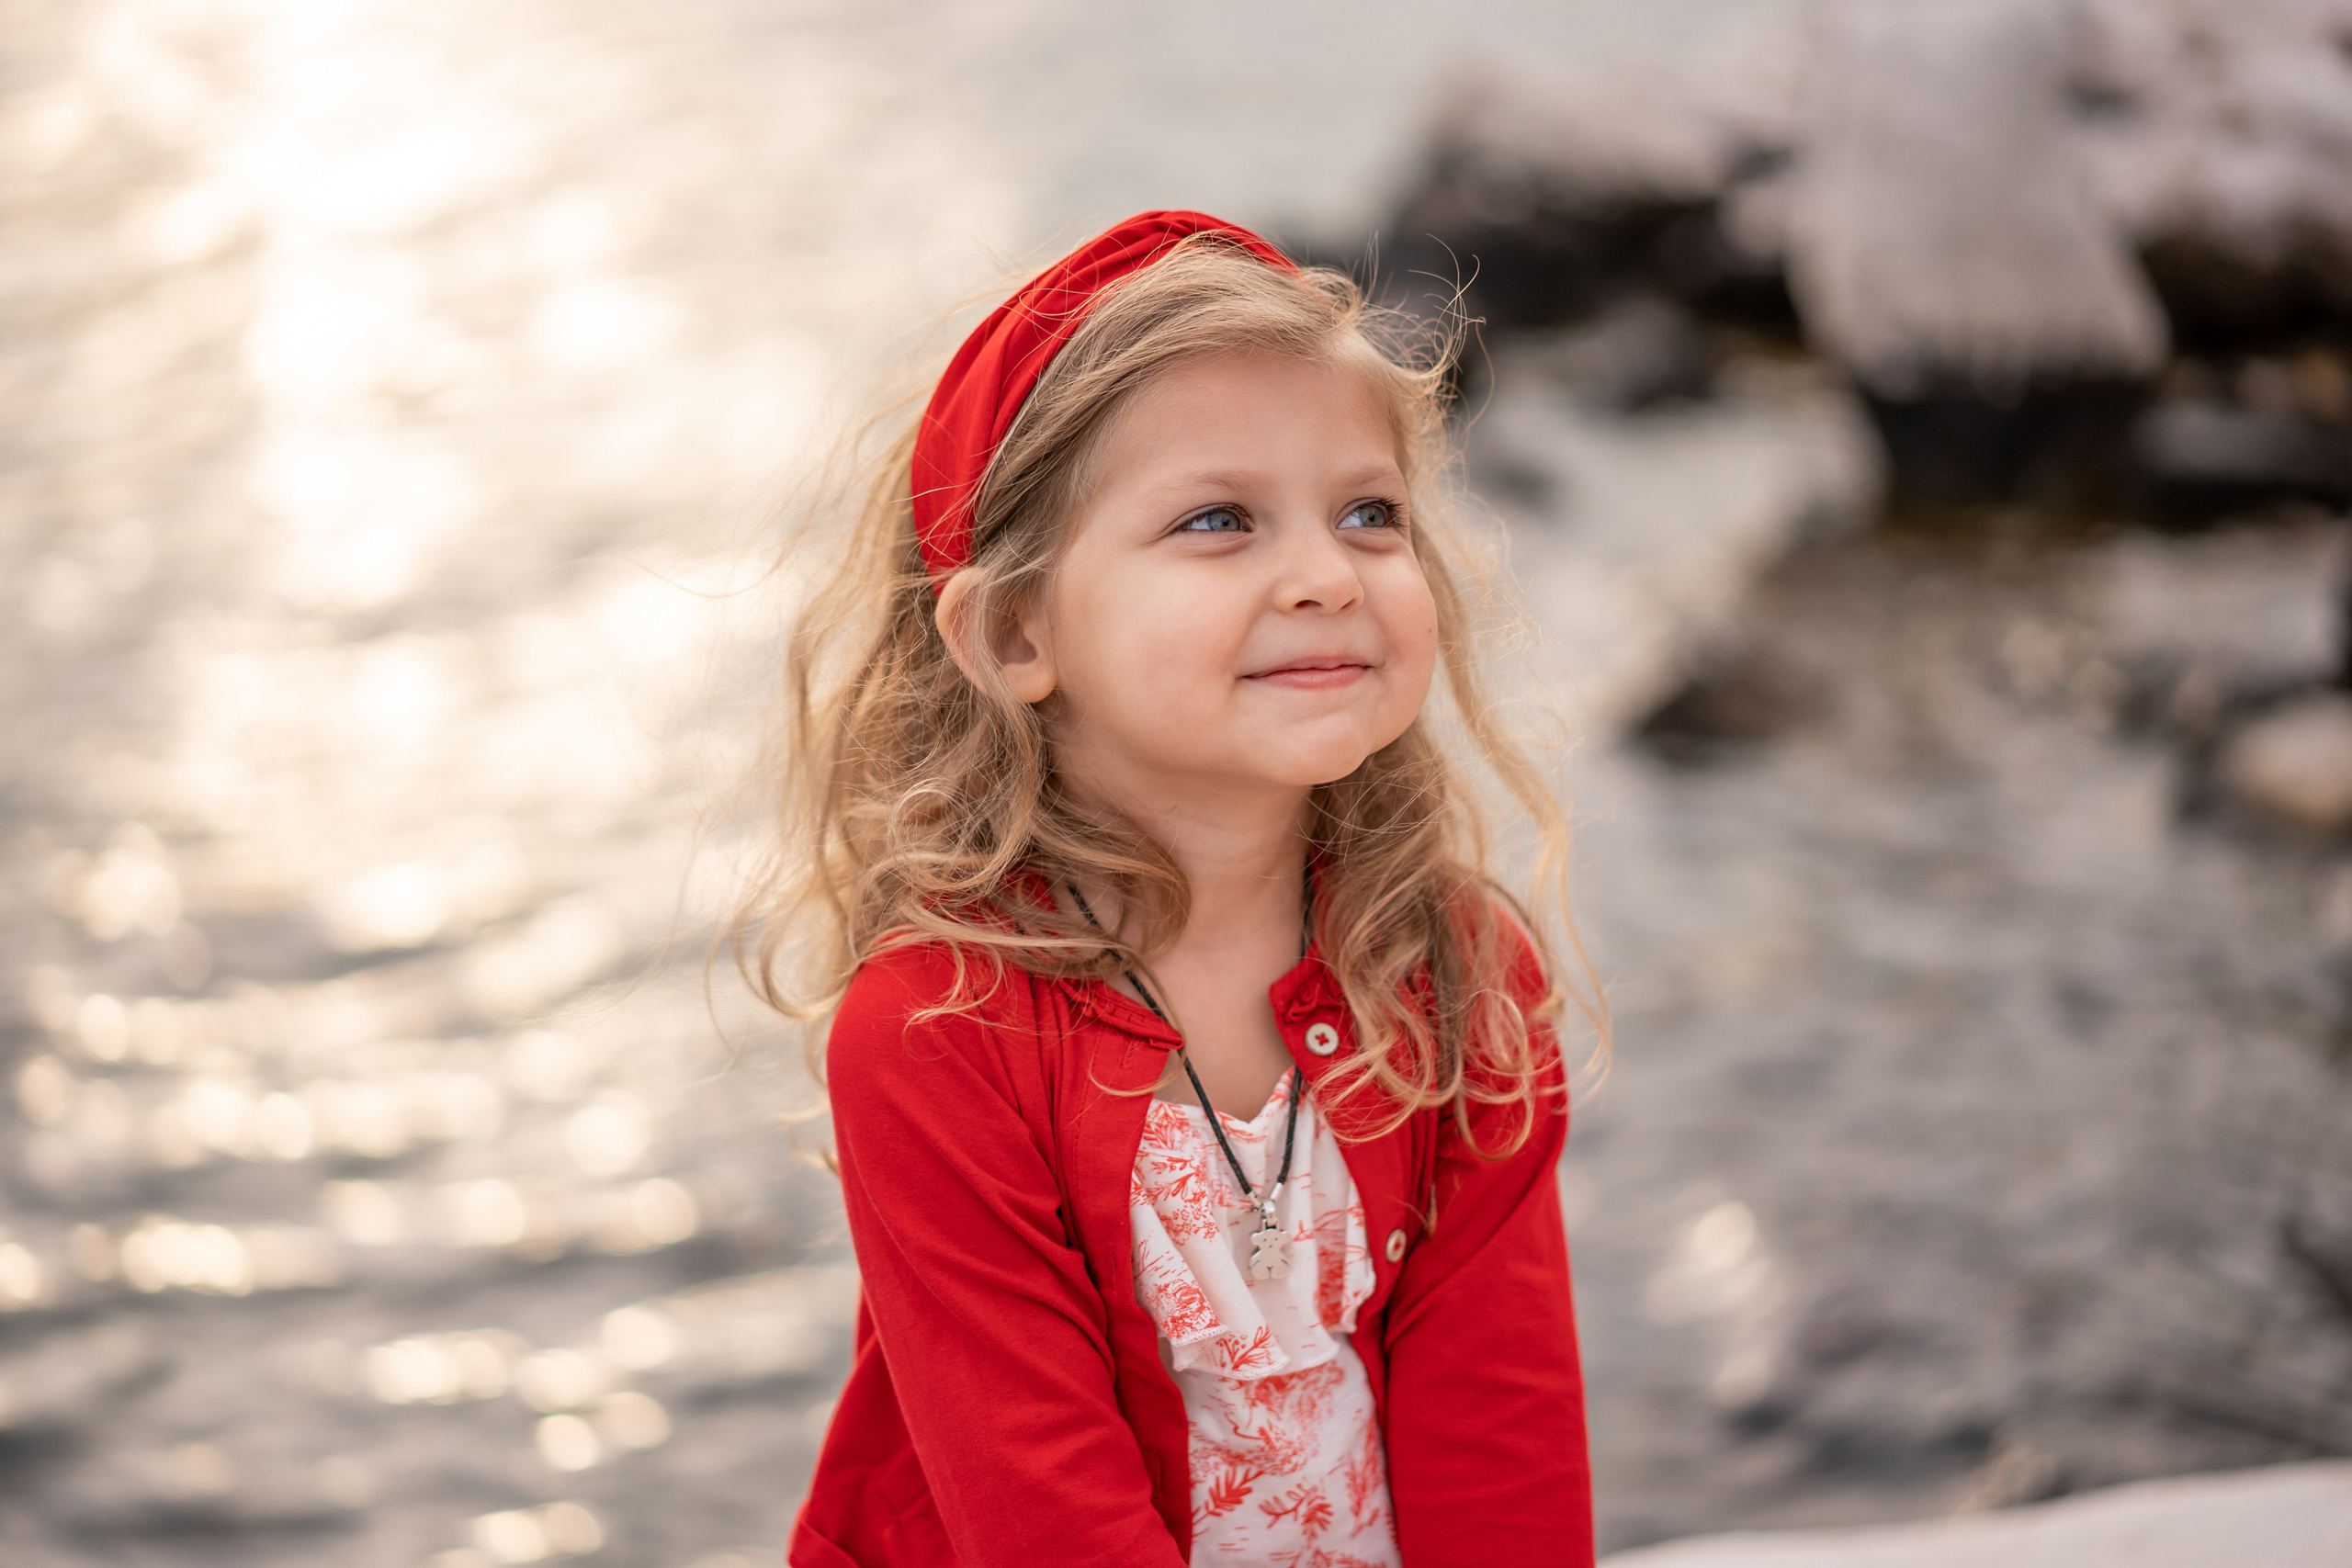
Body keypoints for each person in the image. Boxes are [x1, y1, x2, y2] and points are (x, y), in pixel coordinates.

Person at [738, 210, 1600, 1567]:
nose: (1326, 575)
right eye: (1219, 520)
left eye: (1369, 513)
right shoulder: (935, 1034)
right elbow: (1041, 1512)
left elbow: (1504, 1432)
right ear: (1018, 631)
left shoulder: (1457, 968)